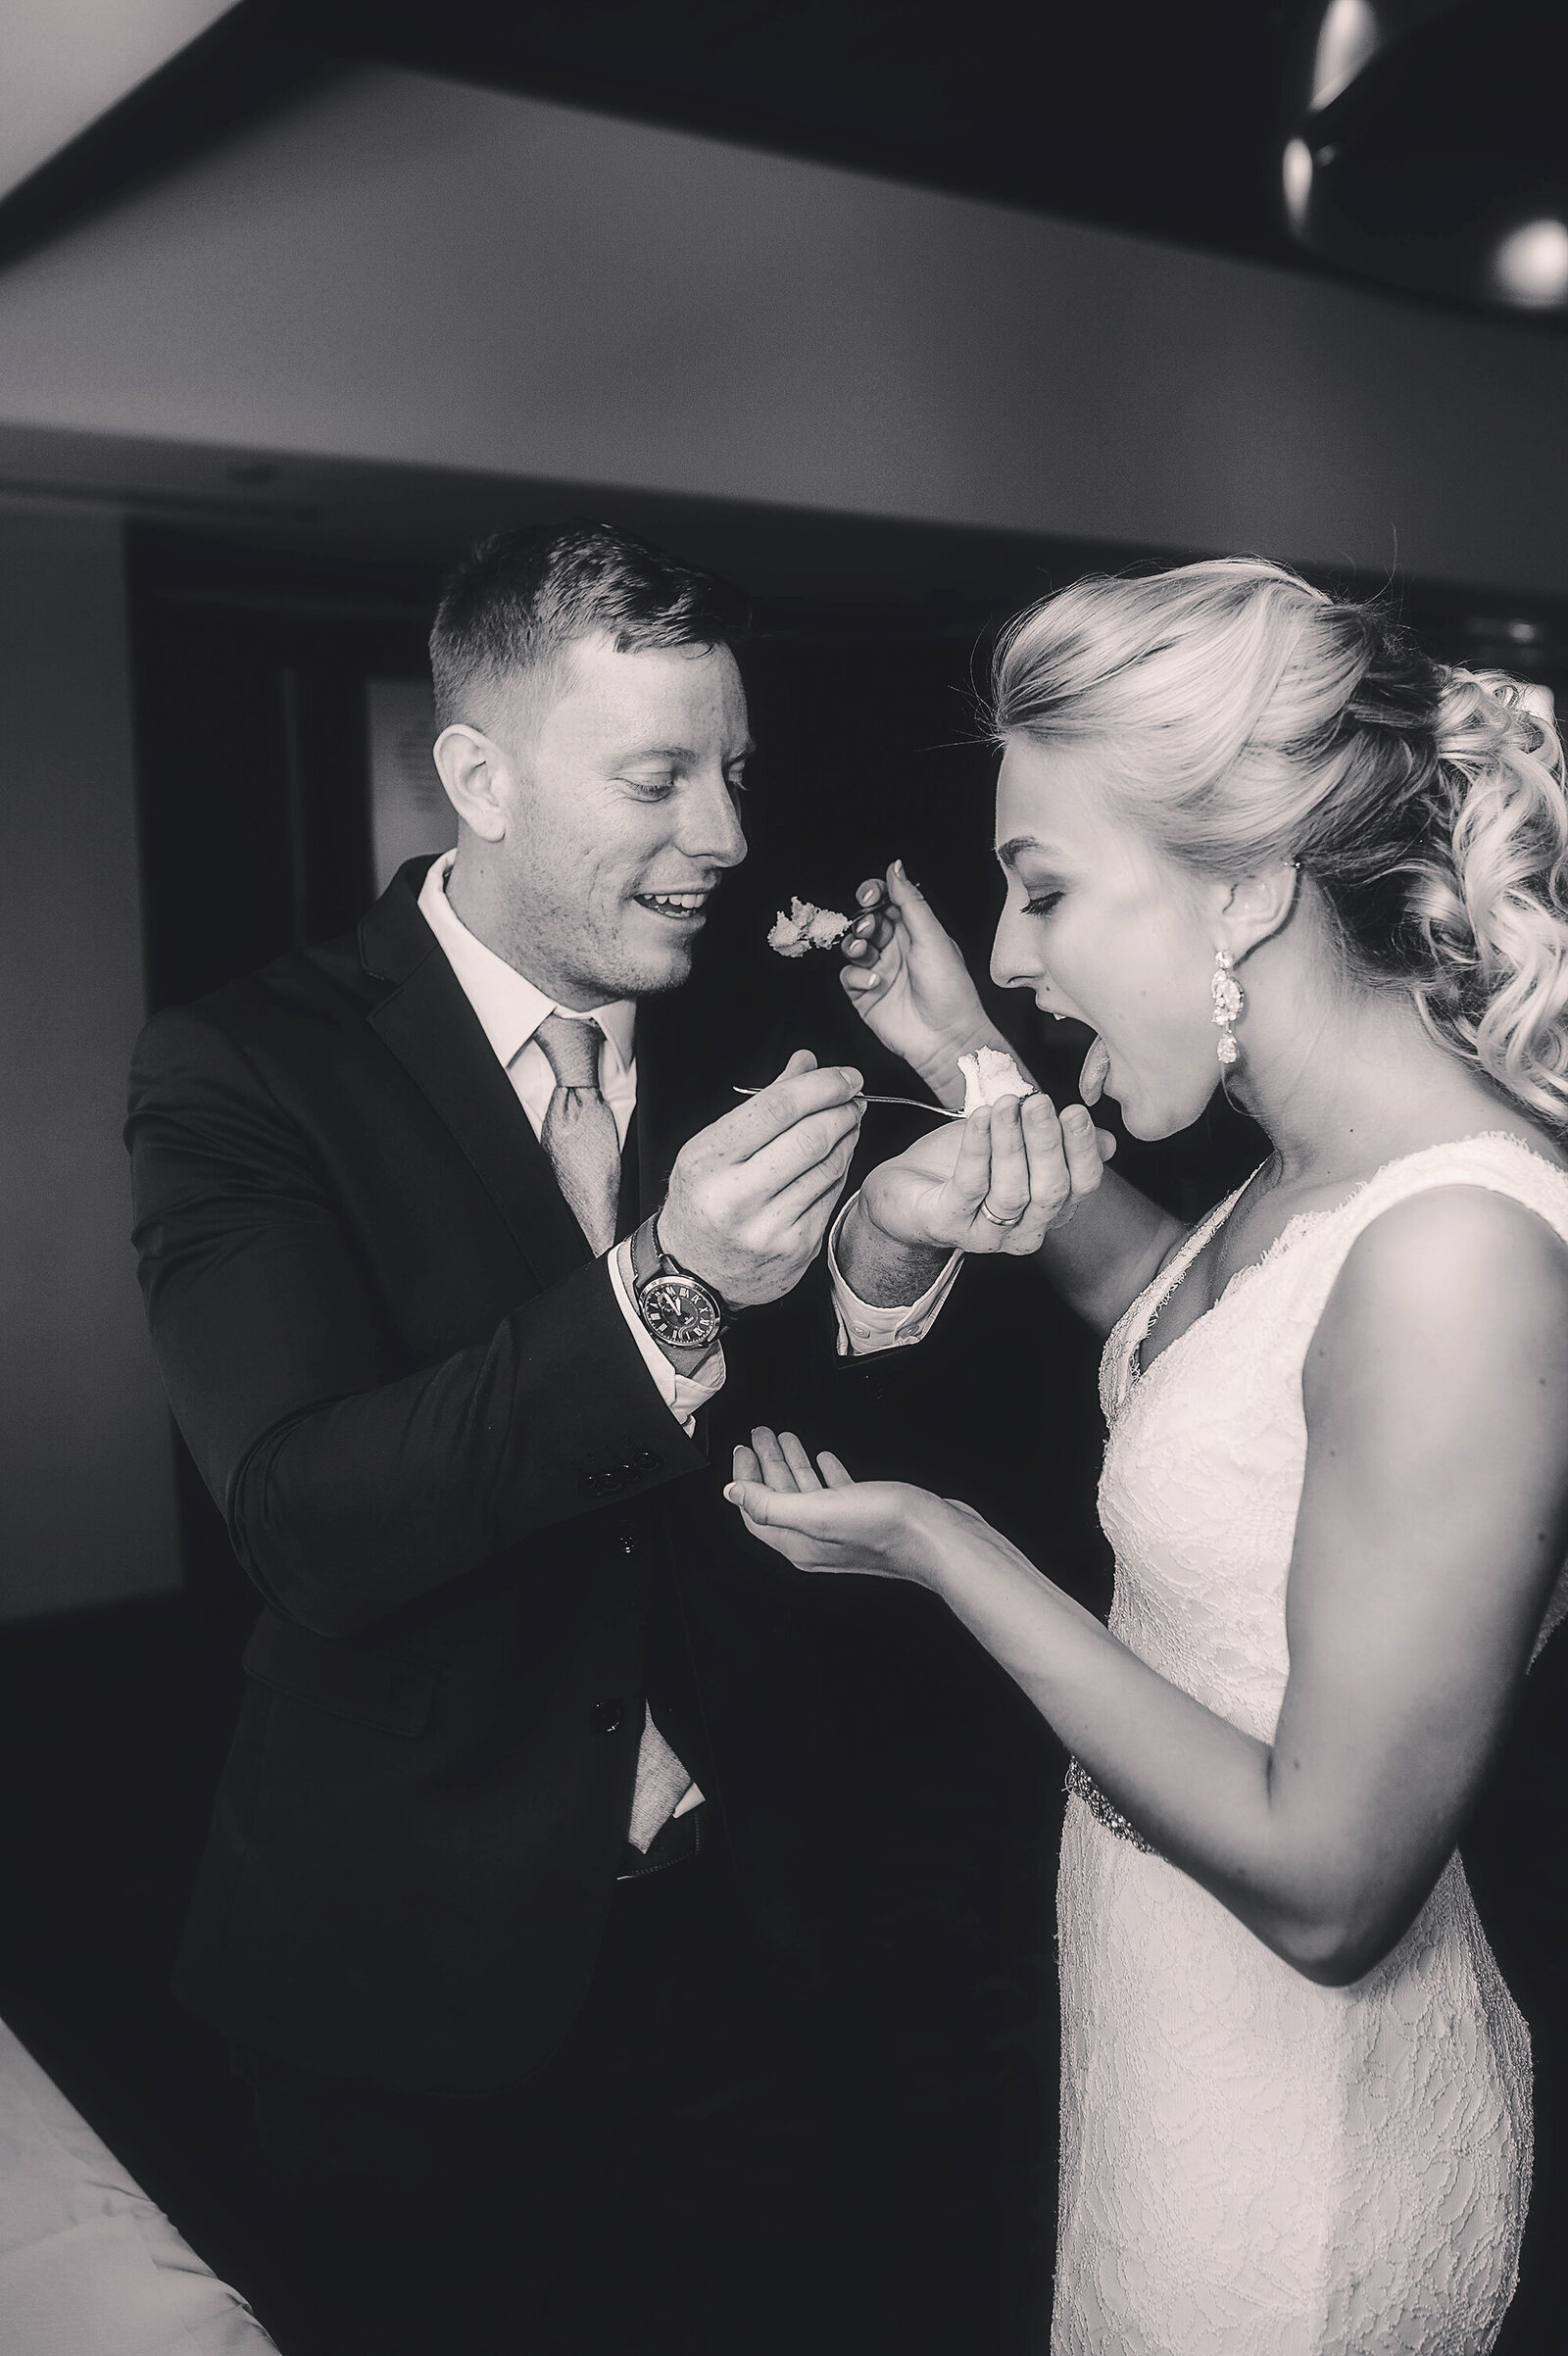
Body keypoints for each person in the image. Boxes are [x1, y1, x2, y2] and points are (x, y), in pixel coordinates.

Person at [125, 519, 998, 2354]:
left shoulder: (749, 1018)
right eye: (659, 780)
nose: (730, 840)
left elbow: (811, 1434)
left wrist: (882, 1263)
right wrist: (668, 1287)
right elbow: (307, 1522)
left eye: (734, 772)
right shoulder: (245, 1069)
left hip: (761, 1919)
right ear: (478, 777)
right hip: (410, 1965)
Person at [727, 558, 1568, 2354]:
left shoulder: (1459, 1260)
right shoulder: (1316, 1175)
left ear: (1248, 885)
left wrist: (954, 1552)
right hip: (1179, 2056)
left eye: (1044, 894)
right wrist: (961, 1053)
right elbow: (1191, 1336)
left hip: (1311, 2162)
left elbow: (1339, 1891)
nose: (1016, 955)